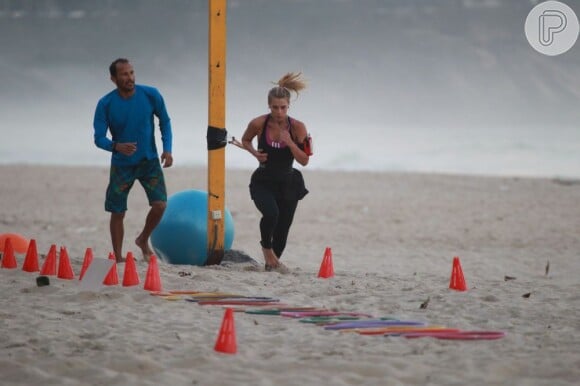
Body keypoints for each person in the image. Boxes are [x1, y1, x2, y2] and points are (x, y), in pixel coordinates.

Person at [93, 58, 173, 263]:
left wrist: (167, 149)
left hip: (149, 161)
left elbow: (164, 121)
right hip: (122, 165)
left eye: (131, 73)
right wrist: (115, 146)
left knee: (160, 205)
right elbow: (98, 138)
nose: (129, 78)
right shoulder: (106, 103)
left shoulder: (150, 94)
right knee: (117, 211)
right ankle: (118, 257)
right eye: (124, 74)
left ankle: (143, 239)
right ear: (113, 78)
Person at [240, 72, 310, 271]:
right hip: (263, 180)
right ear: (268, 106)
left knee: (283, 228)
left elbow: (304, 160)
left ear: (289, 106)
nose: (279, 112)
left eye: (283, 107)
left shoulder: (297, 127)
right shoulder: (258, 124)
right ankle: (266, 250)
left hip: (289, 182)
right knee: (271, 214)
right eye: (275, 107)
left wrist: (289, 142)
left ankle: (271, 264)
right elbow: (245, 140)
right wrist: (255, 153)